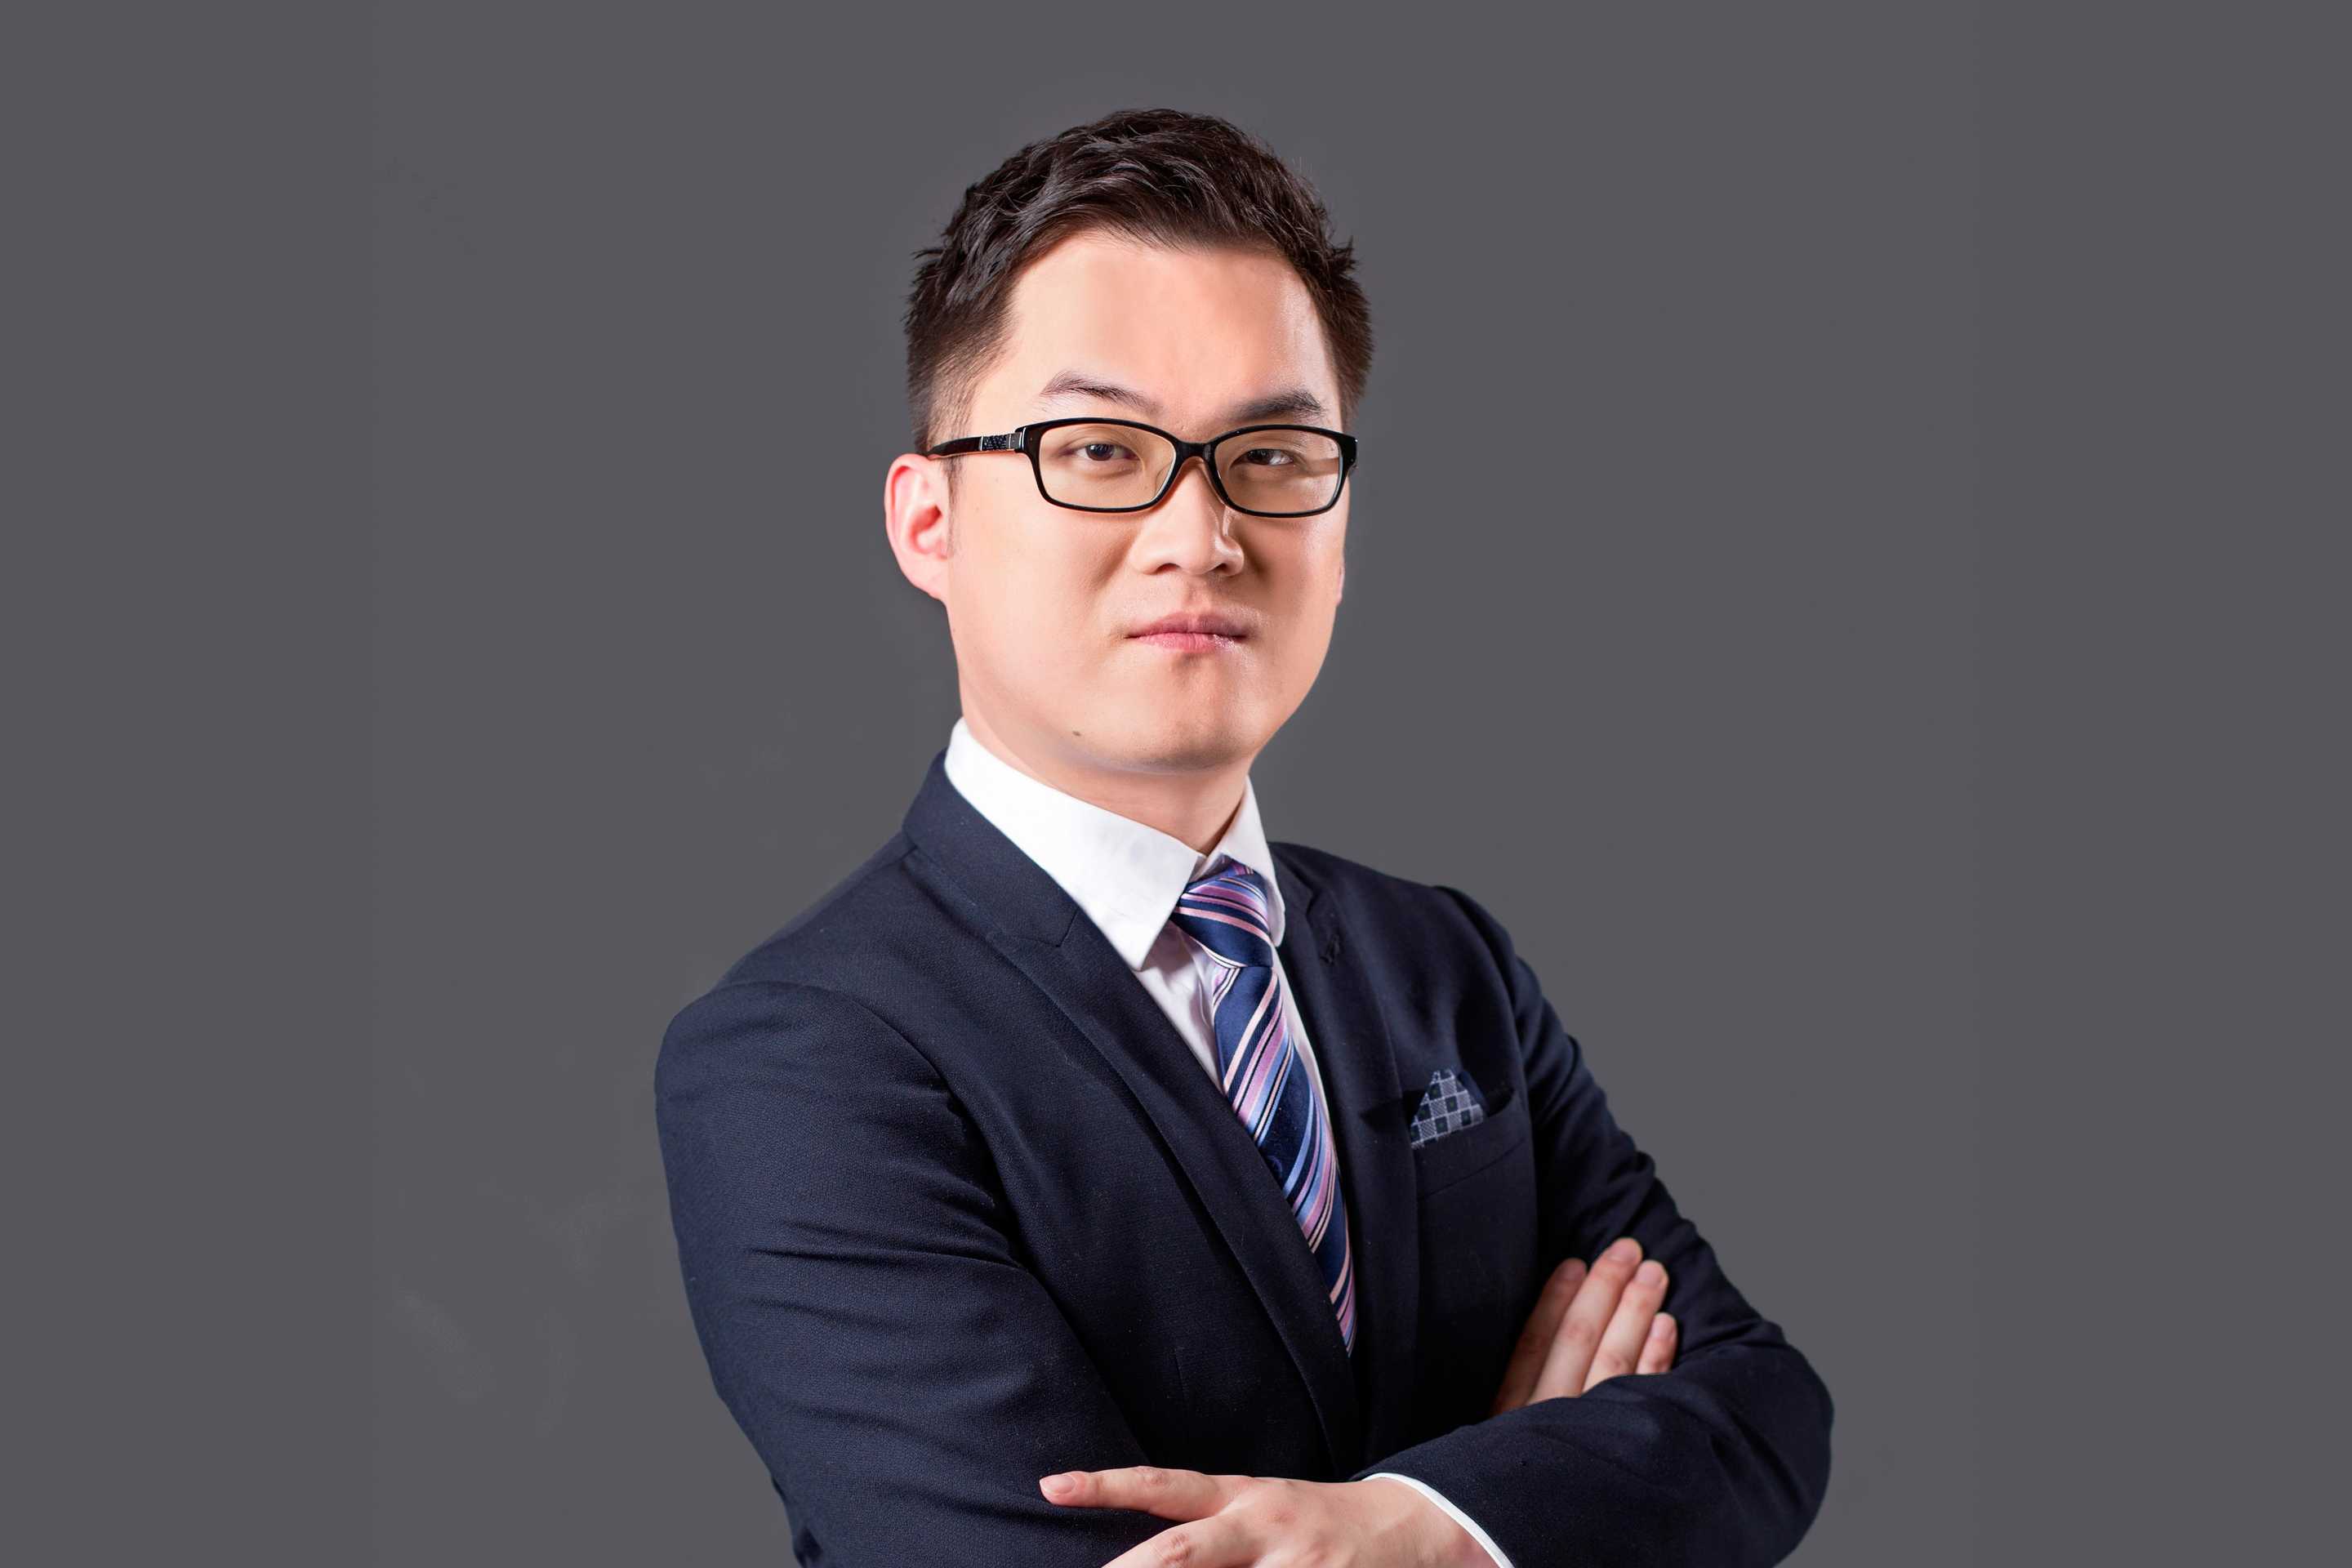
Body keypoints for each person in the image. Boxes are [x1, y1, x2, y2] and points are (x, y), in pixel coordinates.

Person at [655, 107, 1833, 1567]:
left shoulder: (1444, 964)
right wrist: (1546, 1496)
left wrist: (1422, 1528)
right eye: (1099, 449)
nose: (1201, 533)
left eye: (1270, 453)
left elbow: (1763, 1415)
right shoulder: (802, 1062)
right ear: (928, 522)